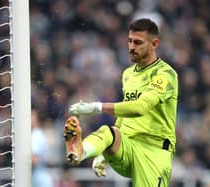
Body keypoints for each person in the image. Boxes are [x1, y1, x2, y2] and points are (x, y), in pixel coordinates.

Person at [64, 18, 178, 187]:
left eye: (138, 42)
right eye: (130, 41)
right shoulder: (128, 74)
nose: (132, 47)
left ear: (154, 44)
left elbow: (140, 108)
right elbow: (124, 116)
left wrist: (97, 107)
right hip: (127, 147)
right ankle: (81, 151)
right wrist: (104, 153)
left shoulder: (165, 74)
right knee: (108, 132)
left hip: (154, 151)